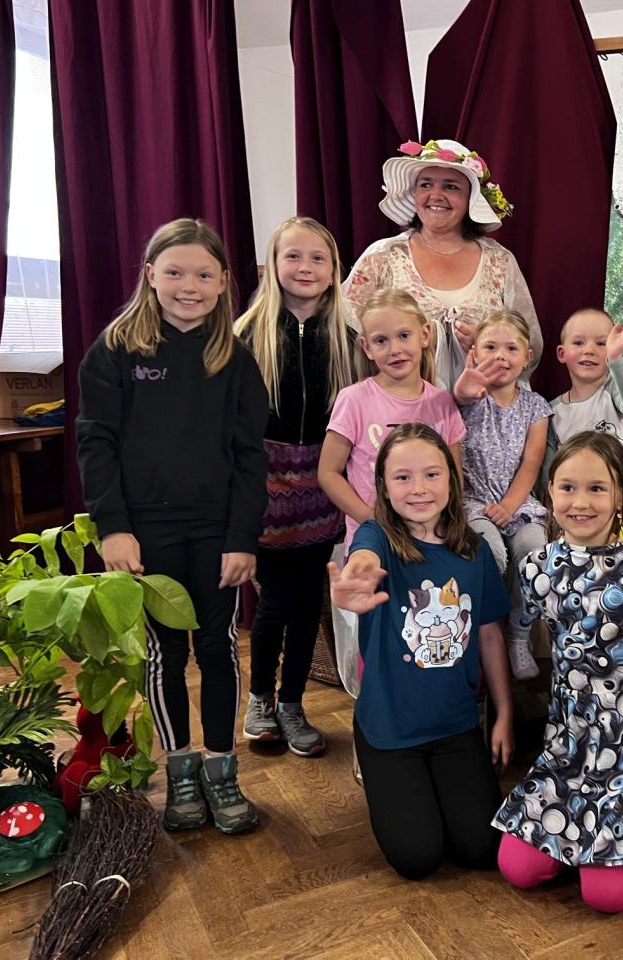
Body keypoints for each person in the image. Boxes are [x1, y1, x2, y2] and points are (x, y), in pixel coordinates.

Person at [77, 218, 268, 835]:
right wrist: (114, 528)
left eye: (204, 275)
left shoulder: (235, 361)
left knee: (218, 648)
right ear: (150, 275)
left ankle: (220, 767)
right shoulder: (114, 351)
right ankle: (180, 768)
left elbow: (250, 458)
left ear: (224, 283)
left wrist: (241, 538)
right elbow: (96, 443)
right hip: (145, 531)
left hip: (216, 530)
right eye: (176, 272)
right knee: (166, 652)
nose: (190, 285)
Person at [493, 432, 623, 914]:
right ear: (550, 492)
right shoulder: (537, 568)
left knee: (605, 897)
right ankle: (583, 839)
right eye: (568, 487)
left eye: (597, 488)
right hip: (571, 741)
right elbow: (534, 631)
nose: (580, 502)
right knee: (518, 869)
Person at [328, 423, 514, 880]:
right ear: (383, 486)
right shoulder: (376, 538)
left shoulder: (474, 551)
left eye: (432, 474)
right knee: (418, 859)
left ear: (452, 478)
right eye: (403, 477)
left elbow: (490, 634)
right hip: (391, 731)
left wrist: (505, 714)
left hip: (456, 726)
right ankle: (383, 772)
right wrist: (357, 575)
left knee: (480, 848)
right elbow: (364, 555)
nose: (419, 489)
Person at [234, 217, 361, 757]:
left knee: (309, 600)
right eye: (293, 256)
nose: (305, 268)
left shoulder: (350, 341)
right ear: (273, 264)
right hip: (265, 485)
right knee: (275, 601)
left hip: (323, 484)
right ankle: (260, 697)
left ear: (333, 271)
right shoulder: (244, 336)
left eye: (317, 258)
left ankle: (292, 703)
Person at [345, 138, 542, 390]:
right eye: (426, 184)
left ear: (470, 198)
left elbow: (530, 345)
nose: (436, 195)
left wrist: (488, 344)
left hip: (487, 409)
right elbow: (348, 336)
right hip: (402, 408)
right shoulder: (382, 256)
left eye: (451, 186)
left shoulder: (499, 261)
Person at [318, 288, 466, 551]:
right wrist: (370, 518)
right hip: (374, 544)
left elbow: (454, 478)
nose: (394, 349)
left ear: (424, 335)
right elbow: (328, 473)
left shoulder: (442, 404)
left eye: (404, 336)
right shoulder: (354, 400)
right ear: (367, 347)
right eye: (381, 341)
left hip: (430, 540)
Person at [452, 310, 551, 680]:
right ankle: (485, 634)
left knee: (535, 551)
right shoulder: (468, 398)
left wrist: (510, 505)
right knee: (490, 553)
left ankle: (518, 633)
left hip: (518, 502)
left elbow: (531, 463)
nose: (501, 356)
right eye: (490, 347)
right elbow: (456, 400)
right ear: (475, 353)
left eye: (511, 348)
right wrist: (462, 393)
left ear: (527, 357)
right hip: (474, 501)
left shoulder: (535, 406)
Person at [549, 308, 623, 543]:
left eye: (601, 343)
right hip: (576, 500)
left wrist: (617, 360)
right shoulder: (552, 411)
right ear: (562, 353)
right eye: (579, 342)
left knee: (616, 550)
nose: (589, 350)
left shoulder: (614, 391)